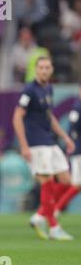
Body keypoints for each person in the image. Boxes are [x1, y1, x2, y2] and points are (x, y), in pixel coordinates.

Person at [12, 56, 75, 240]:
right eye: (41, 68)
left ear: (52, 69)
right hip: (36, 143)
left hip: (49, 140)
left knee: (66, 180)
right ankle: (54, 227)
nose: (44, 71)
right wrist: (24, 146)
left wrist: (65, 137)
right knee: (46, 182)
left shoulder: (48, 88)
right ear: (36, 70)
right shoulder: (29, 90)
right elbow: (17, 117)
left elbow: (50, 117)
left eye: (47, 67)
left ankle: (40, 215)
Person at [56, 87, 81, 215]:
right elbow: (72, 130)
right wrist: (70, 148)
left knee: (75, 184)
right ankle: (54, 208)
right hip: (79, 150)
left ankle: (53, 208)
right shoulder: (77, 108)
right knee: (76, 184)